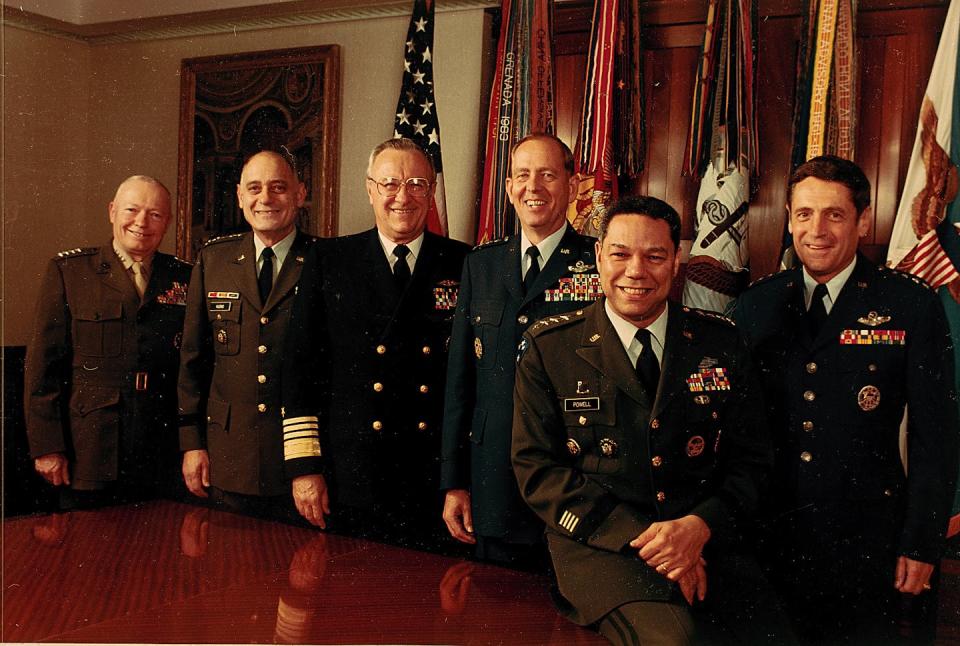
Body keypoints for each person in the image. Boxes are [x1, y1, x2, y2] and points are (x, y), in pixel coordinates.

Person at [512, 196, 791, 644]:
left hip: (704, 536)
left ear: (677, 261)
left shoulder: (719, 341)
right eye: (620, 254)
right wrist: (657, 543)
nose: (636, 271)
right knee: (671, 640)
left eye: (655, 255)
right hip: (603, 545)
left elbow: (752, 461)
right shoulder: (551, 347)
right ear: (598, 256)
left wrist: (698, 528)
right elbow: (537, 472)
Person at [733, 155, 960, 642]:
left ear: (861, 220)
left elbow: (935, 438)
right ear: (790, 218)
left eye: (834, 214)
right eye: (804, 214)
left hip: (868, 538)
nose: (817, 230)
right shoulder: (756, 305)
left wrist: (921, 545)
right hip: (771, 535)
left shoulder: (909, 304)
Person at [281, 137, 469, 549]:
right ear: (370, 189)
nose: (403, 196)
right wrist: (304, 467)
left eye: (417, 184)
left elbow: (471, 383)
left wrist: (462, 478)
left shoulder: (464, 262)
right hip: (350, 474)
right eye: (389, 184)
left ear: (432, 191)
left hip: (432, 477)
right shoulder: (330, 260)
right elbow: (299, 371)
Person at [440, 133, 602, 566]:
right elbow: (461, 383)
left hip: (573, 482)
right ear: (509, 187)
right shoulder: (482, 263)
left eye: (548, 175)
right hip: (492, 482)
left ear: (572, 185)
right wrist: (454, 482)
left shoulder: (601, 262)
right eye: (523, 175)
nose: (534, 187)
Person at [178, 150, 325, 525]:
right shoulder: (214, 260)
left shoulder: (326, 261)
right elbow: (194, 360)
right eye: (255, 188)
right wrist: (192, 444)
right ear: (241, 195)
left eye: (278, 187)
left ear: (300, 193)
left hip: (299, 462)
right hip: (228, 457)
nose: (265, 199)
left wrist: (312, 462)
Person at [26, 175, 191, 509]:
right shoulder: (70, 271)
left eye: (155, 214)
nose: (142, 223)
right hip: (90, 448)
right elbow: (43, 366)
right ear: (113, 211)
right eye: (132, 210)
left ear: (168, 221)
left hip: (161, 448)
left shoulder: (185, 275)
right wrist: (47, 447)